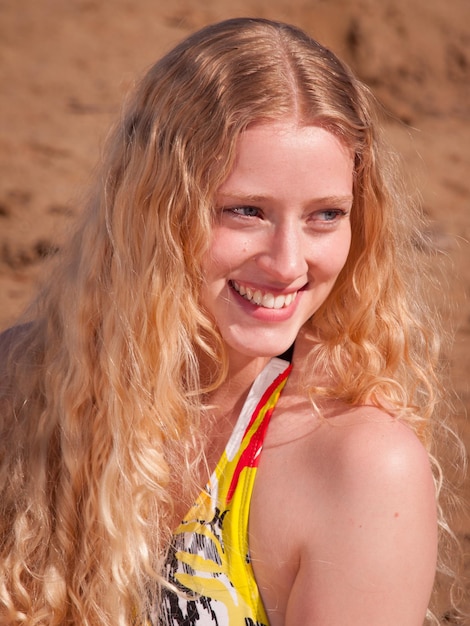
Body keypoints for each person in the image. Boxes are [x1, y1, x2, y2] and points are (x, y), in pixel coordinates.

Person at [0, 17, 464, 626]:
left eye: (326, 215)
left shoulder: (356, 467)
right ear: (152, 210)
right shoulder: (21, 386)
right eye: (245, 211)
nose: (288, 263)